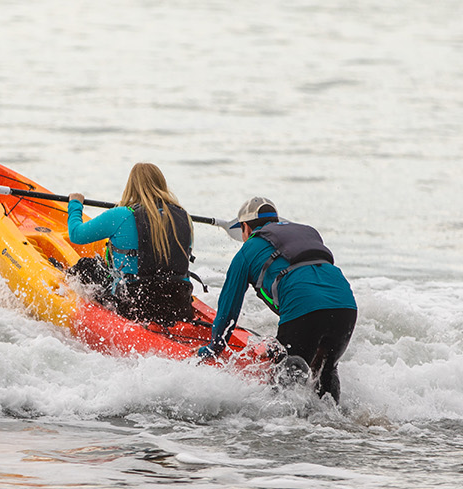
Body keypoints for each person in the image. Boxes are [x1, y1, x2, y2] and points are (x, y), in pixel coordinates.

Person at [202, 196, 356, 402]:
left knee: (286, 375)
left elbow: (228, 309)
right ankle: (336, 426)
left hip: (305, 306)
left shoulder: (247, 250)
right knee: (325, 369)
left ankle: (284, 431)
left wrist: (214, 348)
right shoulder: (308, 233)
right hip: (345, 306)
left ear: (245, 227)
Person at [65, 163, 195, 325]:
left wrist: (75, 204)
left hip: (134, 305)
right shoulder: (185, 217)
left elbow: (76, 234)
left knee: (86, 266)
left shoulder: (121, 215)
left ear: (131, 186)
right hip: (178, 303)